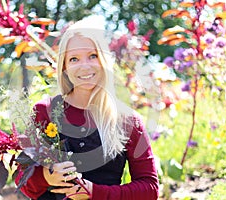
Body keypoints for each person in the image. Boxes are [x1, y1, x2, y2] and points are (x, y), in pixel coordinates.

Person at [15, 18, 159, 200]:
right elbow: (22, 178)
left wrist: (94, 192)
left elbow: (150, 188)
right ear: (65, 66)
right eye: (74, 59)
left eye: (93, 56)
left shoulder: (128, 120)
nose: (85, 66)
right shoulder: (44, 111)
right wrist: (46, 176)